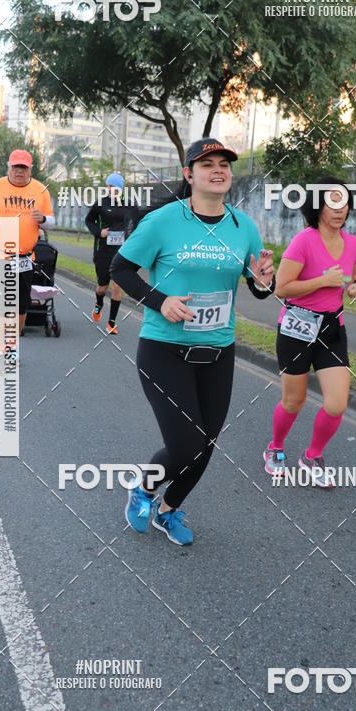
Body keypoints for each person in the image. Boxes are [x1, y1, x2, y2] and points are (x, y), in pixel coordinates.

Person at [110, 138, 275, 546]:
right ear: (189, 175)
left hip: (218, 350)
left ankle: (169, 511)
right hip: (164, 348)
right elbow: (121, 268)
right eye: (207, 164)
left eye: (224, 164)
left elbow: (257, 287)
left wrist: (264, 283)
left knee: (206, 444)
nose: (218, 170)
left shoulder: (244, 227)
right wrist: (159, 301)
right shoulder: (164, 221)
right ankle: (144, 488)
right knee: (185, 443)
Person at [264, 177, 356, 488]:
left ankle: (312, 456)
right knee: (294, 401)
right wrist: (322, 281)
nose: (339, 210)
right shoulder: (303, 241)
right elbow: (282, 287)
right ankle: (275, 448)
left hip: (332, 328)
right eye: (331, 203)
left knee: (337, 403)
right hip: (297, 327)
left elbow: (351, 278)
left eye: (343, 202)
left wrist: (355, 286)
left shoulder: (353, 243)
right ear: (317, 207)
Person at [0, 150, 55, 359]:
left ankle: (12, 344)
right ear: (9, 167)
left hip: (26, 257)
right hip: (0, 253)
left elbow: (52, 221)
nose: (19, 171)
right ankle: (2, 347)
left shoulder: (40, 190)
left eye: (23, 167)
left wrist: (43, 219)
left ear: (29, 169)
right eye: (16, 167)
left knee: (21, 306)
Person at [85, 172, 133, 335]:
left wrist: (129, 235)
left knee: (118, 286)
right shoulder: (101, 203)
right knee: (102, 288)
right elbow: (88, 221)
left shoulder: (129, 204)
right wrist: (99, 233)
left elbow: (135, 223)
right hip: (103, 250)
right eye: (108, 186)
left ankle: (111, 323)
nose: (109, 189)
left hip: (122, 251)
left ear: (119, 189)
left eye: (112, 186)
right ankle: (99, 304)